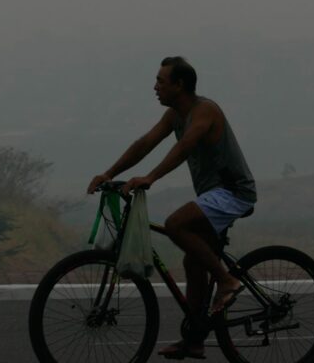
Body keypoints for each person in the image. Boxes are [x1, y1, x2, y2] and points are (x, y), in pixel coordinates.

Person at [87, 56, 256, 360]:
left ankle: (228, 280)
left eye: (160, 81)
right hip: (212, 195)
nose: (155, 87)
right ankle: (194, 339)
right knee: (193, 263)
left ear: (179, 85)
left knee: (176, 225)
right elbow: (144, 144)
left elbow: (184, 147)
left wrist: (151, 177)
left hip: (233, 193)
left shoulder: (205, 110)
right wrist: (109, 173)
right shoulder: (173, 115)